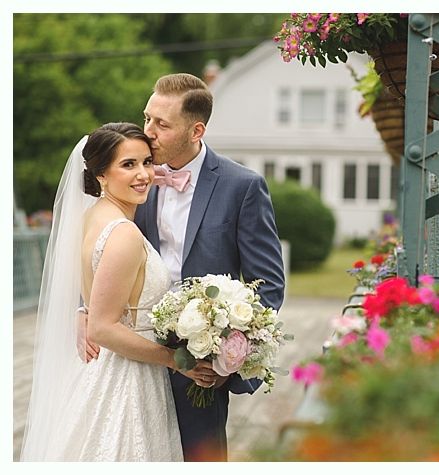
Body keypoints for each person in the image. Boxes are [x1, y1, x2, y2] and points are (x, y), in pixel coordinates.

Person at [20, 123, 217, 461]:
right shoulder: (123, 234)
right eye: (128, 165)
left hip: (103, 369)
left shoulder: (92, 217)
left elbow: (97, 303)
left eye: (146, 162)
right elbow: (102, 328)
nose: (143, 175)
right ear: (100, 175)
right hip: (127, 379)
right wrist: (176, 361)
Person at [133, 73, 286, 461]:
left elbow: (266, 283)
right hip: (134, 352)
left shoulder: (243, 187)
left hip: (199, 360)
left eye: (162, 124)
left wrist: (225, 358)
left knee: (201, 458)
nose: (147, 131)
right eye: (147, 118)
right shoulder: (134, 176)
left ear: (196, 129)